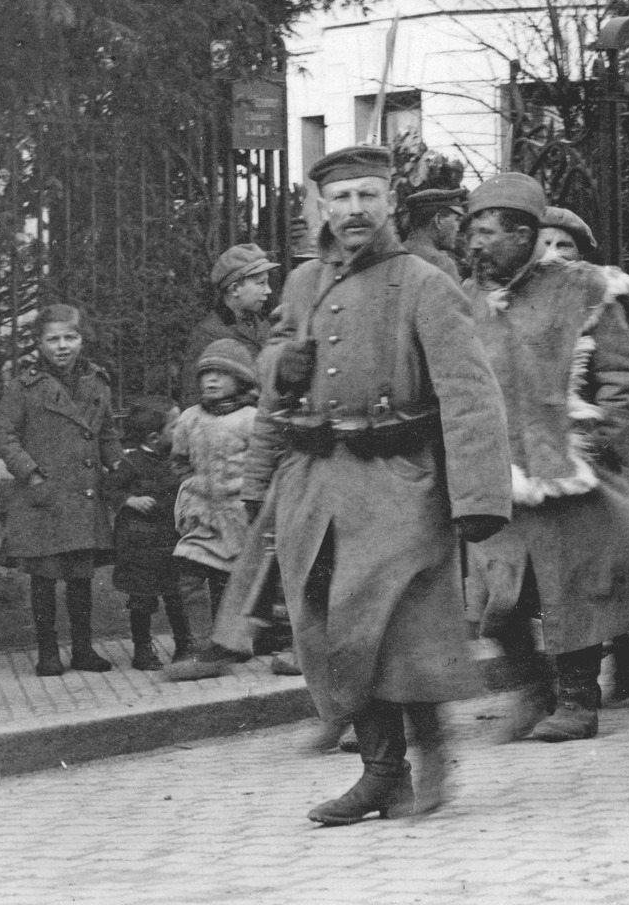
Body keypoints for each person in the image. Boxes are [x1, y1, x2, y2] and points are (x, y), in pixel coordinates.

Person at [242, 144, 511, 824]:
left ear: (390, 201)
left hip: (399, 481)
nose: (354, 210)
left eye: (368, 195)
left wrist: (479, 498)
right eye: (341, 198)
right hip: (316, 481)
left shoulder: (423, 281)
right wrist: (281, 366)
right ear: (322, 208)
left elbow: (470, 393)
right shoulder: (304, 283)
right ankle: (379, 771)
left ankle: (426, 749)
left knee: (395, 629)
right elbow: (274, 385)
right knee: (330, 628)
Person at [463, 174, 629, 744]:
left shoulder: (585, 289)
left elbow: (626, 376)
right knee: (501, 604)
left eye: (489, 233)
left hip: (571, 467)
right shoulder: (466, 302)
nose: (476, 244)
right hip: (497, 471)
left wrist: (608, 443)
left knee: (573, 591)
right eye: (472, 232)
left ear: (525, 234)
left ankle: (579, 701)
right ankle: (533, 689)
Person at [537, 203, 629, 700]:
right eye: (544, 243)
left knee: (594, 565)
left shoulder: (601, 300)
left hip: (589, 449)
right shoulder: (512, 299)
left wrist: (606, 442)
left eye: (566, 246)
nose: (553, 254)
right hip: (533, 453)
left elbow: (624, 378)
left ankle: (614, 650)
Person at [0, 304, 124, 677]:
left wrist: (119, 468)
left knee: (81, 579)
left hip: (83, 495)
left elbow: (107, 433)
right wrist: (31, 475)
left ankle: (83, 649)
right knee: (45, 578)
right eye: (53, 339)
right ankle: (48, 651)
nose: (63, 346)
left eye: (71, 337)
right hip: (44, 497)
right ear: (39, 344)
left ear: (81, 339)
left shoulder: (97, 382)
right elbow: (2, 435)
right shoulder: (25, 386)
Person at [170, 340, 260, 622]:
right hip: (201, 516)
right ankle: (200, 642)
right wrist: (191, 487)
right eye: (206, 374)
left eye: (222, 373)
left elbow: (264, 464)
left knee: (229, 582)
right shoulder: (190, 418)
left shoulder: (251, 419)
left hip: (238, 517)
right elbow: (179, 460)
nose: (212, 380)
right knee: (189, 575)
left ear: (241, 379)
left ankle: (230, 642)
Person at [108, 396, 190, 671]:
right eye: (175, 426)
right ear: (155, 437)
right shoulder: (131, 463)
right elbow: (111, 489)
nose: (182, 431)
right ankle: (142, 649)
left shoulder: (178, 460)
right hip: (139, 545)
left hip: (171, 540)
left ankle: (184, 646)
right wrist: (130, 500)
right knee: (142, 599)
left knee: (176, 596)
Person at [181, 243, 278, 403]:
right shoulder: (208, 333)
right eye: (260, 283)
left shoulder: (263, 325)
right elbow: (193, 398)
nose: (268, 290)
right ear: (234, 289)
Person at [400, 188, 465, 281]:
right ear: (438, 220)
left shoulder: (396, 253)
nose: (458, 228)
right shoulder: (442, 264)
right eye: (457, 220)